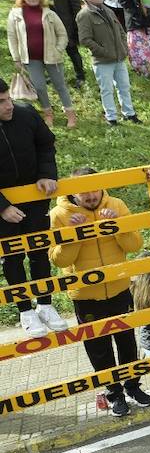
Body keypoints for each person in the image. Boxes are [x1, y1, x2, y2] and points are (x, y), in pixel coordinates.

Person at [48, 167, 150, 415]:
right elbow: (58, 261)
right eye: (83, 191)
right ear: (73, 192)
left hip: (119, 288)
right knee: (99, 347)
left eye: (94, 189)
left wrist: (115, 226)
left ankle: (133, 386)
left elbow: (135, 245)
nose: (90, 196)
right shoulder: (58, 215)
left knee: (127, 341)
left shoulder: (116, 204)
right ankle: (114, 394)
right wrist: (73, 236)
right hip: (85, 295)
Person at [0, 77, 64, 336]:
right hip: (4, 210)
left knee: (39, 251)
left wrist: (47, 173)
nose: (9, 105)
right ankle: (25, 310)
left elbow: (46, 145)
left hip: (35, 199)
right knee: (13, 257)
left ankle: (45, 304)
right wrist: (2, 207)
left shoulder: (26, 114)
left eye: (8, 98)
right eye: (2, 102)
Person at [6, 0, 75, 129]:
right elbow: (12, 37)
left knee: (60, 86)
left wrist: (58, 49)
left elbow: (62, 34)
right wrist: (16, 58)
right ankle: (48, 114)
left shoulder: (49, 13)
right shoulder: (15, 14)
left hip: (52, 57)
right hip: (30, 58)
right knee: (39, 87)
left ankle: (70, 115)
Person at [75, 0, 138, 126]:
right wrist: (104, 51)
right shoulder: (84, 15)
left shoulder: (108, 10)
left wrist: (123, 47)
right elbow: (85, 39)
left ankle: (129, 114)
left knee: (124, 87)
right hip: (102, 61)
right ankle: (111, 118)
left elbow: (120, 30)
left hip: (119, 57)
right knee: (107, 90)